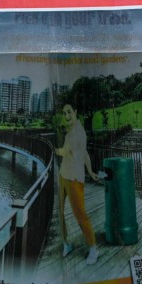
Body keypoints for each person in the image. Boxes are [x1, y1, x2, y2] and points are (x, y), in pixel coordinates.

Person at [56, 103, 100, 265]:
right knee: (61, 212)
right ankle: (66, 243)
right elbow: (85, 153)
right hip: (63, 175)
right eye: (64, 113)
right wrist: (90, 171)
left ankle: (93, 248)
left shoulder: (77, 133)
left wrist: (53, 149)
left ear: (75, 112)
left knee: (80, 214)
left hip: (74, 179)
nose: (66, 116)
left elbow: (64, 151)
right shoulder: (72, 130)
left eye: (69, 112)